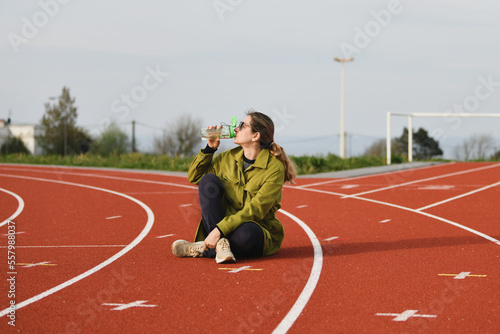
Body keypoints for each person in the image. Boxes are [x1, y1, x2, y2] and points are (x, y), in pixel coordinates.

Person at [171, 109, 297, 263]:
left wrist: (219, 230)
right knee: (208, 181)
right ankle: (220, 246)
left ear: (255, 136)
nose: (236, 129)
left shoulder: (274, 168)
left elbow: (256, 209)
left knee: (247, 235)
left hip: (254, 226)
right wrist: (210, 149)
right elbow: (195, 177)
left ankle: (204, 248)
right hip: (222, 224)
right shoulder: (227, 158)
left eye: (242, 126)